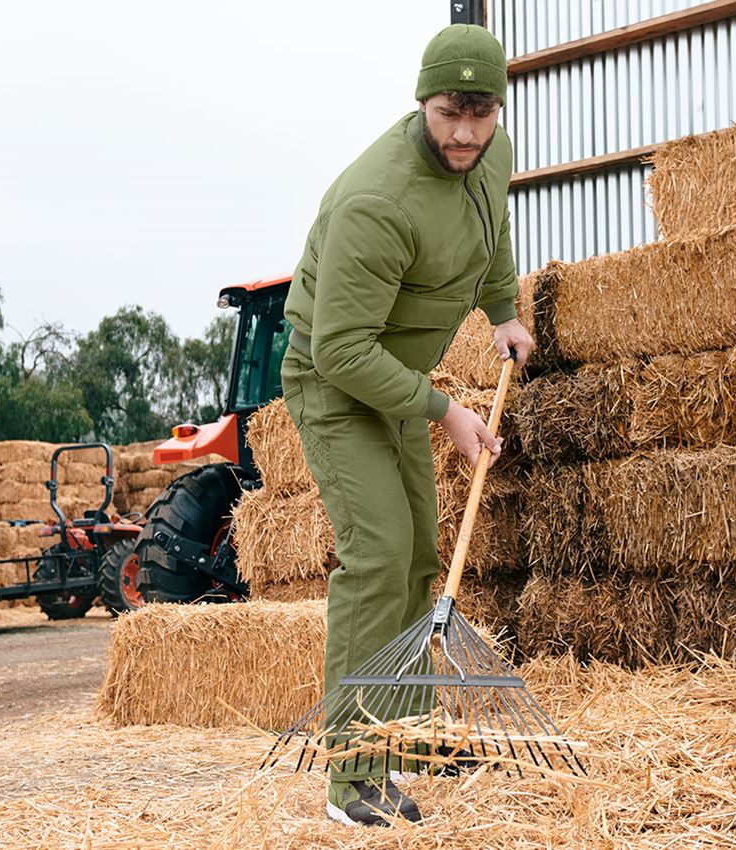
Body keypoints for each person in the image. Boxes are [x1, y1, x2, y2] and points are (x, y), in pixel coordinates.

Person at [280, 23, 534, 827]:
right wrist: (446, 411)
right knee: (380, 553)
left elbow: (490, 231)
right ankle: (353, 778)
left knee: (423, 549)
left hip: (397, 376)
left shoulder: (489, 154)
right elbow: (341, 349)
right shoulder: (376, 200)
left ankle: (406, 735)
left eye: (479, 114)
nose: (463, 134)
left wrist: (503, 311)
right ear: (421, 101)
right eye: (448, 114)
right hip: (335, 381)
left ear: (496, 108)